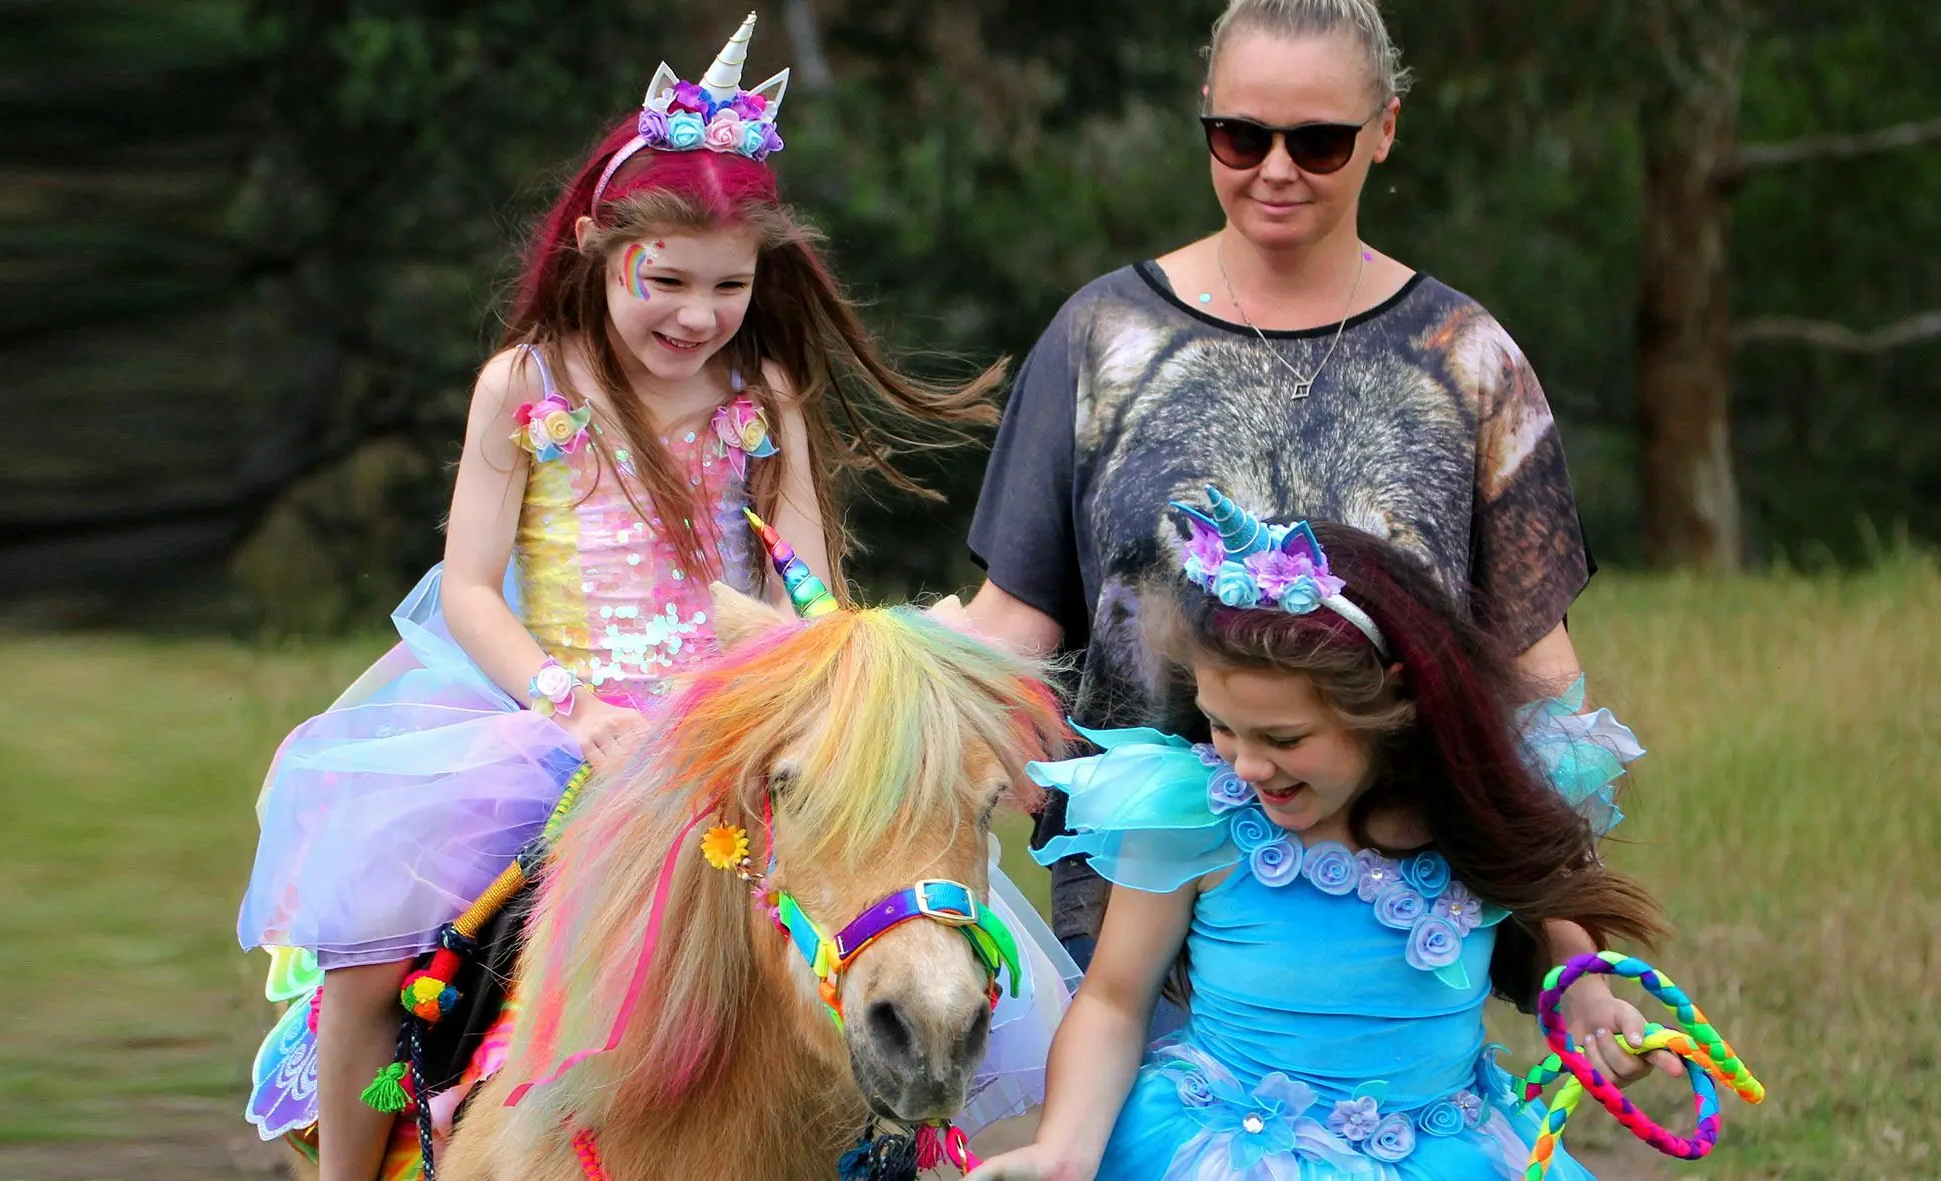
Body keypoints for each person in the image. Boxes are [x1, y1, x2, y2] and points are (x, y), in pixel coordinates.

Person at [236, 17, 1047, 1178]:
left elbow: (802, 587)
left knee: (881, 918)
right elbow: (470, 588)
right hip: (555, 718)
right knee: (376, 950)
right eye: (663, 280)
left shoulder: (763, 394)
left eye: (729, 284)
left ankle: (862, 1137)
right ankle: (355, 1162)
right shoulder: (522, 386)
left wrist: (826, 691)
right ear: (594, 254)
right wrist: (570, 706)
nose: (695, 313)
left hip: (723, 723)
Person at [961, 0, 1621, 1030]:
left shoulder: (1468, 355)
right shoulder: (1097, 340)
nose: (1275, 169)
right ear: (1205, 120)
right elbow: (1009, 629)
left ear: (1385, 130)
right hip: (1140, 917)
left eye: (1317, 141)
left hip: (1388, 920)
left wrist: (1572, 954)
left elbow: (1539, 685)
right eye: (1239, 135)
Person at [965, 490, 1678, 1180]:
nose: (1245, 763)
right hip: (1220, 1150)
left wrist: (1584, 996)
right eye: (1221, 724)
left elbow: (1547, 896)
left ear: (1389, 702)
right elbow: (1115, 1001)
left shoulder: (1465, 809)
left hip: (1443, 1148)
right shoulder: (1197, 816)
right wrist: (1063, 1150)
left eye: (1284, 736)